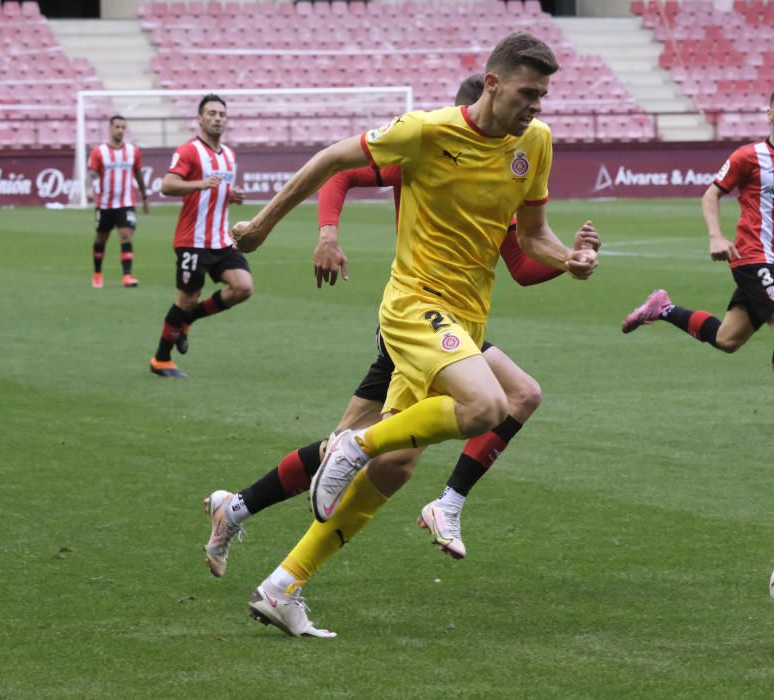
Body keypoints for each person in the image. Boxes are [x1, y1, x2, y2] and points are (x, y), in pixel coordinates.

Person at [230, 32, 599, 637]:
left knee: (398, 468)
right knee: (486, 405)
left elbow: (532, 237)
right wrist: (264, 226)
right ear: (493, 84)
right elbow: (331, 161)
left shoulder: (536, 142)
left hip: (465, 317)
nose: (536, 105)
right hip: (413, 305)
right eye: (528, 93)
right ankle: (354, 445)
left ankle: (283, 587)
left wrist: (570, 260)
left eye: (544, 95)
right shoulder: (426, 131)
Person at [622, 85, 774, 437]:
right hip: (753, 257)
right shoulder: (748, 156)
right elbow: (711, 194)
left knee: (727, 339)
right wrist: (715, 235)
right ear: (769, 113)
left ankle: (663, 308)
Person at [149, 94, 249, 378]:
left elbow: (218, 192)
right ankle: (161, 359)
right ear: (200, 119)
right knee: (186, 298)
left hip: (221, 238)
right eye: (212, 113)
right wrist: (200, 183)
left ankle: (188, 320)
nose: (218, 118)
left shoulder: (229, 155)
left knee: (243, 287)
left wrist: (233, 195)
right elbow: (167, 185)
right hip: (192, 240)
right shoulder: (189, 150)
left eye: (222, 114)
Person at [86, 115, 148, 288]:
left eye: (123, 127)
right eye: (117, 127)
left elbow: (138, 173)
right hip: (105, 203)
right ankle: (97, 273)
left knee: (126, 236)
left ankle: (127, 276)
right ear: (110, 128)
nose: (120, 130)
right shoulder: (99, 152)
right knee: (101, 239)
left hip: (126, 202)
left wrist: (144, 196)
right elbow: (91, 173)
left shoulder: (133, 151)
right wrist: (89, 188)